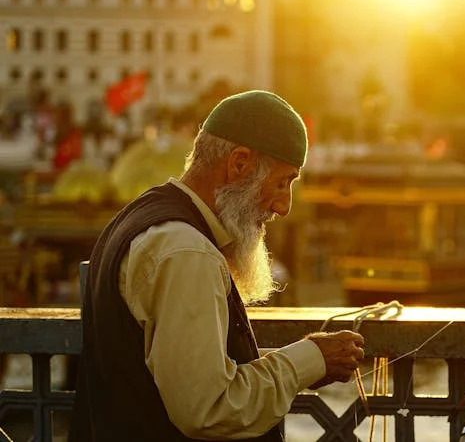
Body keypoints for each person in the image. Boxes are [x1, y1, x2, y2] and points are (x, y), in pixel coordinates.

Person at [70, 90, 366, 441]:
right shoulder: (187, 253)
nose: (284, 206)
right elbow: (209, 408)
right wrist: (311, 358)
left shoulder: (141, 218)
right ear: (239, 163)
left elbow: (177, 367)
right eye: (282, 182)